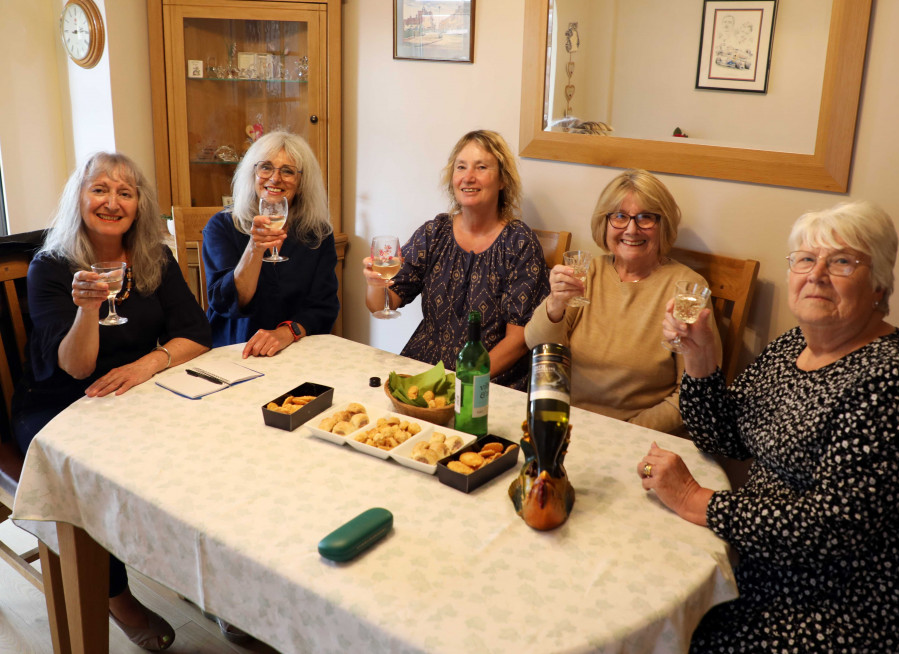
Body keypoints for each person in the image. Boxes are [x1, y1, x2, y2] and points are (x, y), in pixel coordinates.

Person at [641, 200, 899, 652]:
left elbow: (831, 528)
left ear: (878, 285)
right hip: (771, 563)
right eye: (806, 259)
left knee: (674, 632)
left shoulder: (893, 380)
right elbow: (728, 437)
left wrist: (697, 499)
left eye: (842, 261)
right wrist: (699, 359)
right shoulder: (794, 345)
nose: (817, 274)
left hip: (859, 606)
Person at [12, 152, 213, 651]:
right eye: (100, 189)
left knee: (206, 445)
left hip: (135, 392)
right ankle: (115, 594)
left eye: (126, 192)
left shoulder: (154, 258)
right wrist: (87, 310)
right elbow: (77, 367)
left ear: (139, 205)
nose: (112, 201)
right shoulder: (52, 268)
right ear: (79, 198)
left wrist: (146, 364)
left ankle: (187, 566)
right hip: (60, 403)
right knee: (100, 474)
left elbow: (196, 334)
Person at [524, 169, 721, 433]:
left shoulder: (687, 290)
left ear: (663, 224)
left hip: (637, 435)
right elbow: (537, 345)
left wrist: (624, 431)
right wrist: (555, 305)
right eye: (619, 216)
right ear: (604, 223)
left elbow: (692, 394)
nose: (631, 229)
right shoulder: (588, 273)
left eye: (645, 218)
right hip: (567, 424)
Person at [363, 129, 549, 390]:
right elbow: (383, 305)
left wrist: (465, 381)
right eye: (461, 167)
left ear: (502, 180)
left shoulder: (519, 243)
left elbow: (518, 340)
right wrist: (374, 283)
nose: (468, 177)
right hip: (424, 370)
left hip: (488, 379)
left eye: (481, 167)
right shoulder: (434, 233)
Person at [202, 130, 339, 357]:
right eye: (266, 167)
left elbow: (324, 307)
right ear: (252, 173)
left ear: (303, 182)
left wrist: (286, 333)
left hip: (296, 350)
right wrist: (254, 248)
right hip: (234, 350)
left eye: (288, 171)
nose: (275, 178)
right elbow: (224, 303)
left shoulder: (318, 234)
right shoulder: (222, 226)